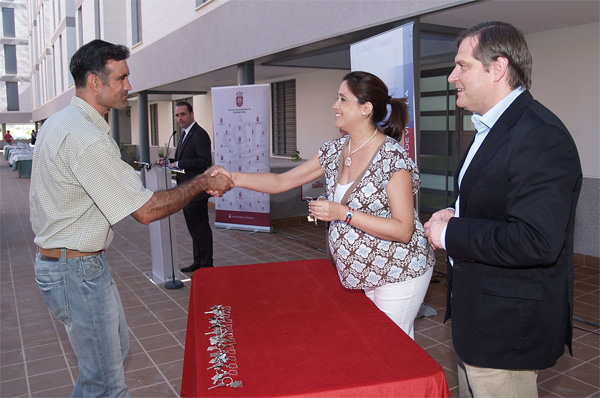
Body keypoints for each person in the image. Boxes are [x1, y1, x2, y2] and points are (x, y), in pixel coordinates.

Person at [29, 39, 233, 398]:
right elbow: (146, 210)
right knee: (107, 384)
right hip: (76, 272)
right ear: (95, 82)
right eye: (122, 78)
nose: (129, 86)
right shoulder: (86, 138)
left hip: (68, 264)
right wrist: (203, 182)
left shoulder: (59, 123)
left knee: (110, 362)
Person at [212, 71, 435, 339]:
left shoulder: (392, 159)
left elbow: (403, 230)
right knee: (376, 344)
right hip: (362, 273)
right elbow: (282, 181)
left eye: (343, 99)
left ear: (366, 109)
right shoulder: (333, 150)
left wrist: (343, 213)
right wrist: (233, 178)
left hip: (399, 272)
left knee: (387, 344)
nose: (335, 105)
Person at [423, 21, 582, 397]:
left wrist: (450, 233)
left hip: (506, 327)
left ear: (498, 68)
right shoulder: (491, 129)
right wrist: (454, 212)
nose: (452, 77)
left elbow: (536, 240)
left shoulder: (541, 135)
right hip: (479, 319)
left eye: (462, 66)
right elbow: (494, 201)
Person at [158, 101, 213, 273]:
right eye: (177, 115)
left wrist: (179, 163)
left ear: (192, 114)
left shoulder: (199, 134)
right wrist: (170, 162)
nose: (179, 118)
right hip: (185, 190)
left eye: (183, 114)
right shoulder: (183, 134)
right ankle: (198, 262)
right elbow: (184, 160)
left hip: (196, 190)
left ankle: (207, 265)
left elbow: (204, 160)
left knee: (201, 229)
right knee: (193, 228)